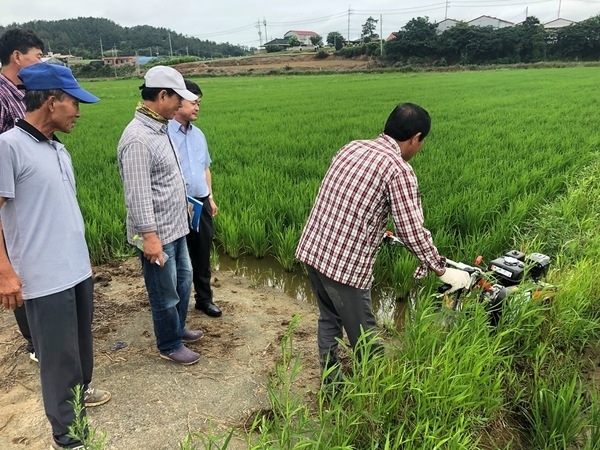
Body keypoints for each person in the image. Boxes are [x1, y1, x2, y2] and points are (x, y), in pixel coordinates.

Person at [295, 102, 470, 383]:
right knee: (365, 338)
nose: (420, 148)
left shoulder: (352, 147)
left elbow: (348, 200)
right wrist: (441, 269)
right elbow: (411, 229)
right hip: (344, 269)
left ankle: (331, 384)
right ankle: (377, 393)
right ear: (416, 138)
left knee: (329, 319)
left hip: (314, 251)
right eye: (421, 142)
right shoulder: (398, 169)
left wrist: (377, 228)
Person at [0, 62, 111, 450]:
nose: (78, 111)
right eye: (74, 103)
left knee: (81, 348)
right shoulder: (8, 146)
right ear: (51, 102)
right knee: (58, 358)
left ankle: (78, 403)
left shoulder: (57, 149)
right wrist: (4, 272)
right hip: (43, 276)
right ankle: (67, 437)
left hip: (76, 268)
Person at [117, 65, 204, 365]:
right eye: (177, 98)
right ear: (162, 95)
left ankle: (177, 329)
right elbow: (138, 195)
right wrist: (150, 239)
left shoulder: (160, 128)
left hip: (176, 226)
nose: (181, 104)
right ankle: (168, 343)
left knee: (183, 282)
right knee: (164, 292)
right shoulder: (138, 138)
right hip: (157, 234)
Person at [0, 27, 45, 363]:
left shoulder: (25, 92)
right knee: (17, 264)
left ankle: (44, 330)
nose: (40, 61)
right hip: (8, 197)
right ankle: (35, 342)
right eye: (37, 56)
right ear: (18, 56)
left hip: (32, 197)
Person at [168, 79, 222, 318]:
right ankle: (175, 304)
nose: (197, 107)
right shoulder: (164, 133)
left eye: (199, 103)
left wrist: (210, 197)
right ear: (178, 102)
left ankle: (204, 299)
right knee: (177, 257)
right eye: (193, 102)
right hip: (175, 205)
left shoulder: (198, 135)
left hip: (200, 204)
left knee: (201, 254)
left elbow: (205, 168)